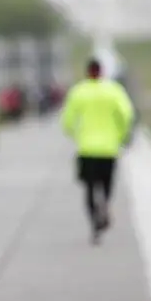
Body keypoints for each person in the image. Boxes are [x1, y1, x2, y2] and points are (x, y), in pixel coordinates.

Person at [61, 58, 134, 245]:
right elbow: (126, 115)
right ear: (102, 72)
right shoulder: (113, 90)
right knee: (107, 184)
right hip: (109, 148)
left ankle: (94, 222)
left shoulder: (79, 91)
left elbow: (68, 121)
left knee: (89, 188)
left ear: (87, 72)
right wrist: (122, 136)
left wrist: (76, 134)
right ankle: (106, 206)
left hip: (87, 148)